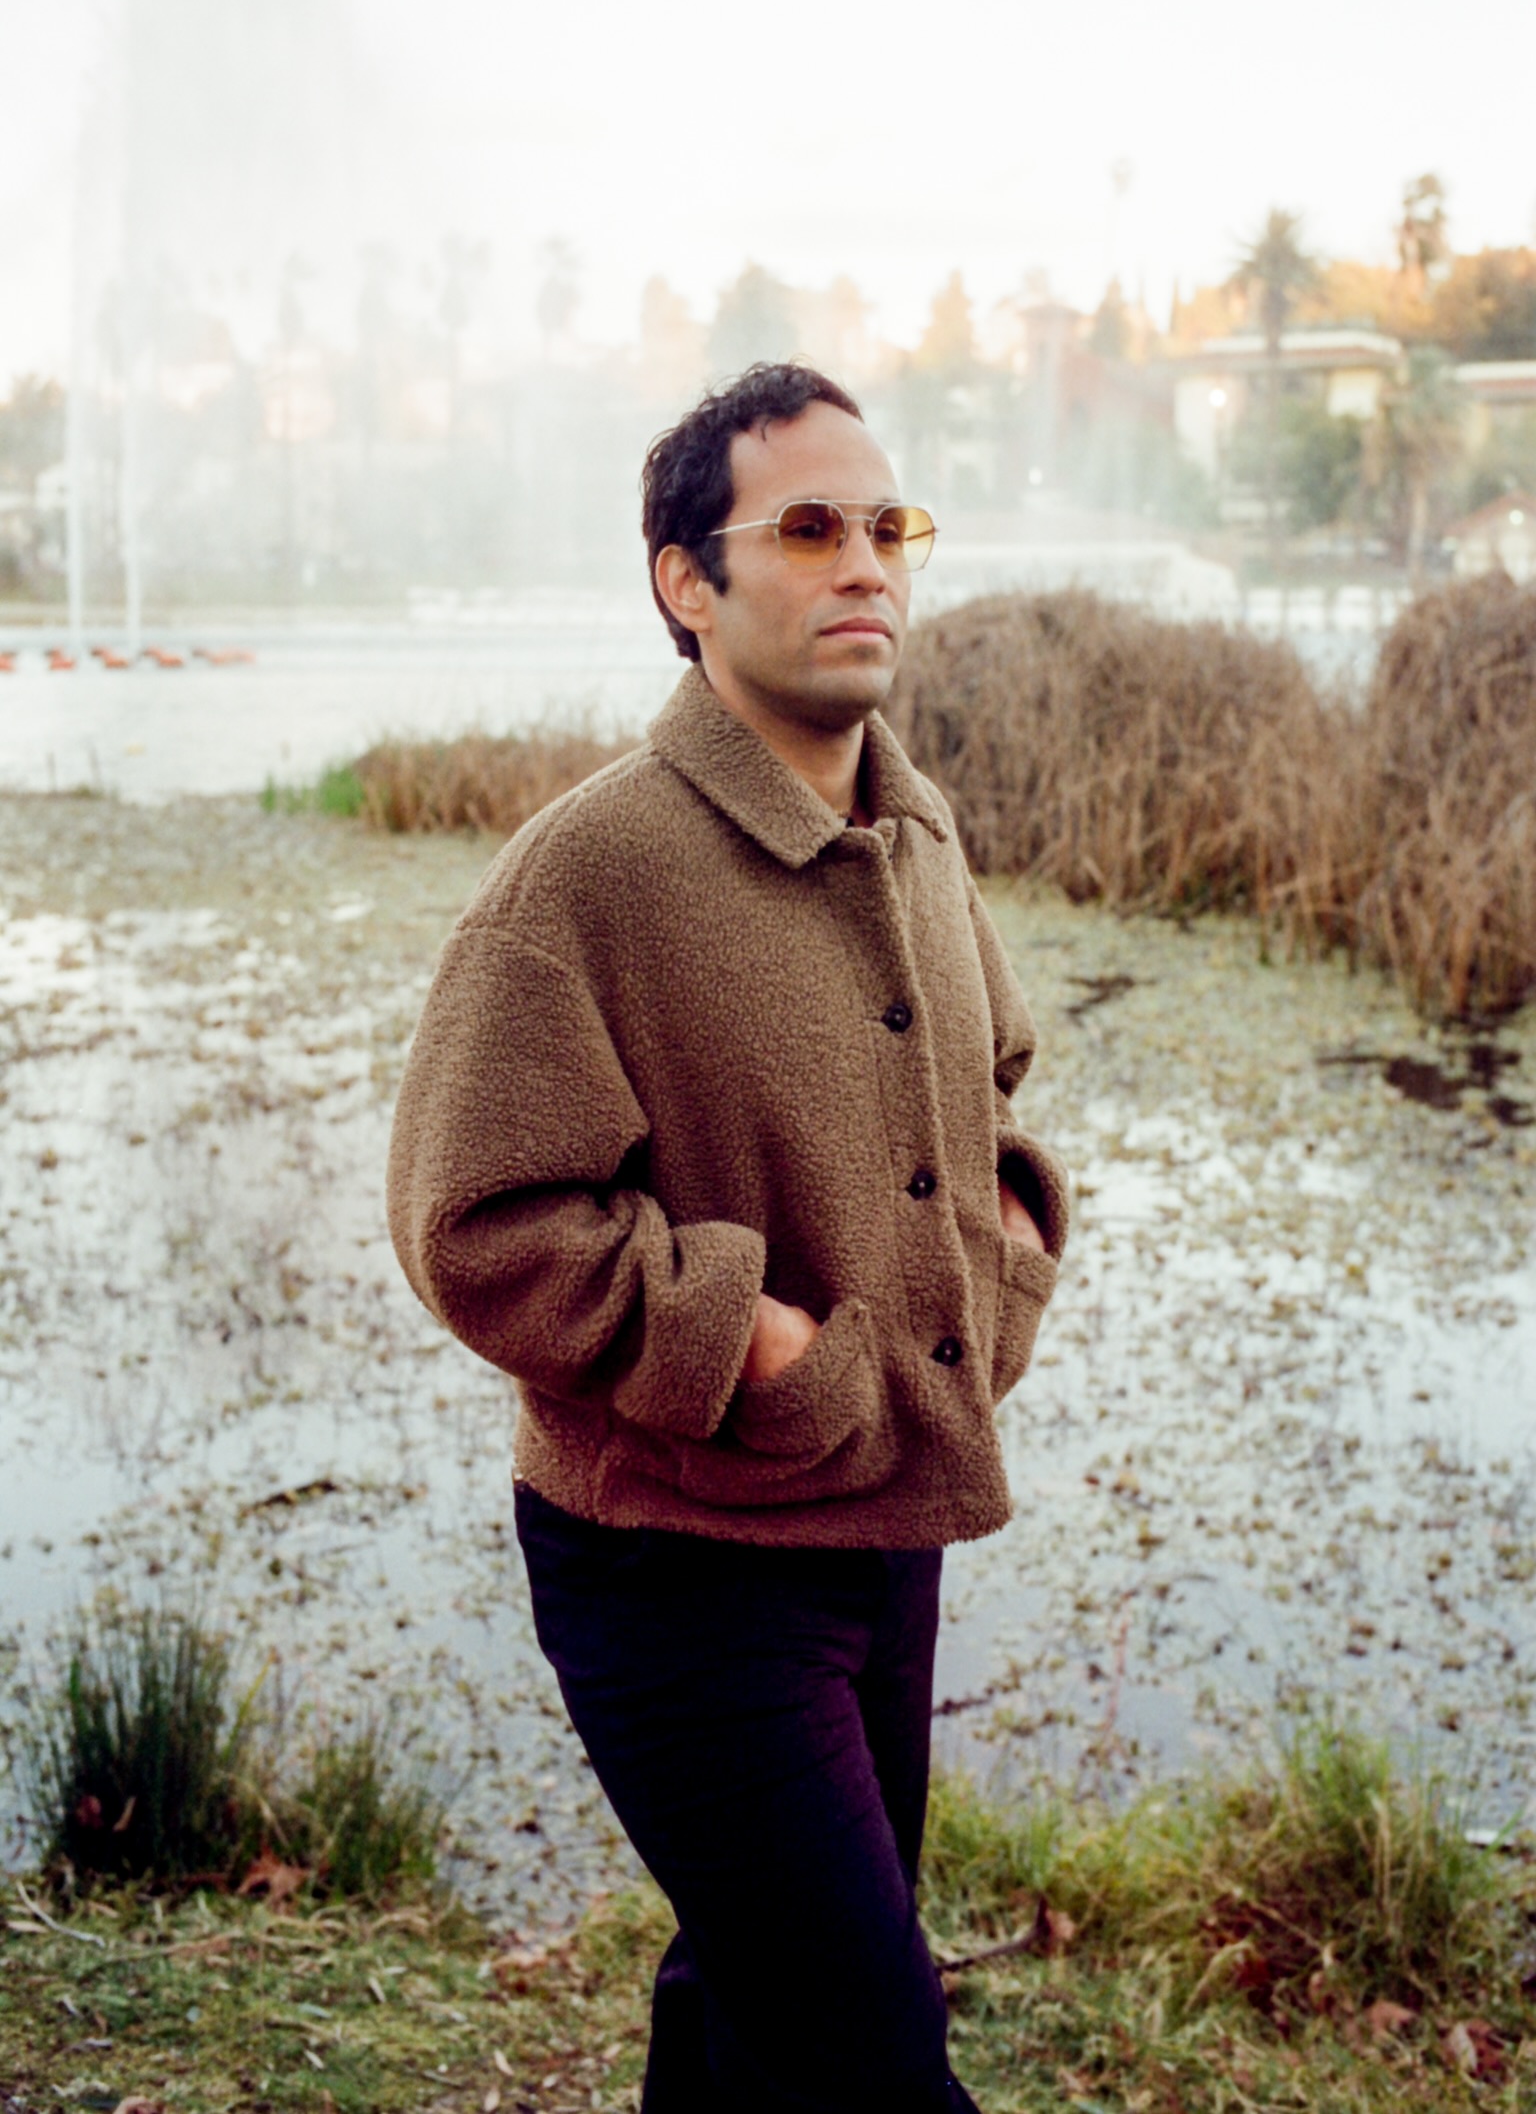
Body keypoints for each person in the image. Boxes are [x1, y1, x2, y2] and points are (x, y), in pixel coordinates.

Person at [387, 362, 1069, 2111]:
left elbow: (991, 1080)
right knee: (873, 2053)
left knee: (756, 2008)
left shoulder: (912, 828)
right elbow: (474, 1221)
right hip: (674, 1560)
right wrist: (748, 1344)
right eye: (811, 528)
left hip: (883, 1519)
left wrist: (1006, 1244)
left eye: (890, 526)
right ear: (687, 583)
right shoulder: (590, 871)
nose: (868, 565)